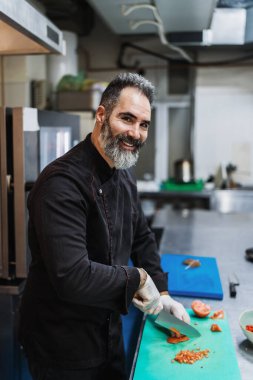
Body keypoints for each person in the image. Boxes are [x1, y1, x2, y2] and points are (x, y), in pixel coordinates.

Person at [19, 72, 190, 380]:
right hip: (62, 344)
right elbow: (73, 276)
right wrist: (137, 278)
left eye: (143, 124)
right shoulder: (61, 183)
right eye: (127, 119)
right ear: (101, 115)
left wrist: (162, 291)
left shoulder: (123, 173)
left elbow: (141, 235)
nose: (135, 132)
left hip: (108, 332)